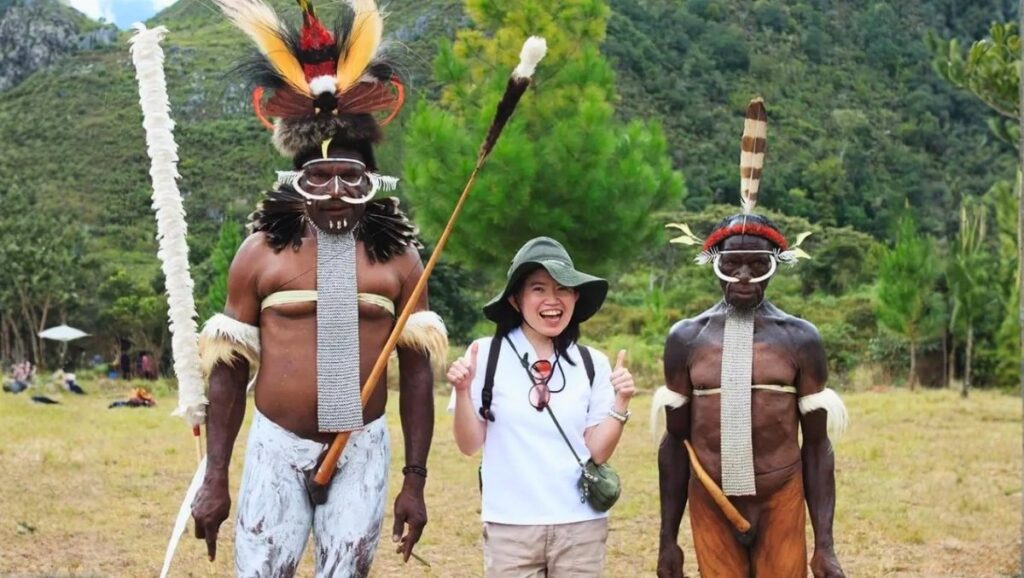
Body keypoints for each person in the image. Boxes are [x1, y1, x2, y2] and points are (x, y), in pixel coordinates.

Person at [189, 1, 447, 576]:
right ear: (297, 183)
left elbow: (418, 375)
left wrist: (415, 482)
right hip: (275, 446)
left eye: (348, 177)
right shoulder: (260, 253)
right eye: (320, 177)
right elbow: (229, 370)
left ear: (370, 180)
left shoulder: (399, 258)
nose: (334, 191)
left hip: (362, 448)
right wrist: (214, 477)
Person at [655, 99, 847, 578]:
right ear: (713, 265)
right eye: (731, 262)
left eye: (757, 264)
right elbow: (674, 443)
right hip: (711, 498)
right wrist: (667, 541)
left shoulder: (800, 339)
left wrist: (824, 544)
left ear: (774, 268)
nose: (743, 275)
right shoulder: (686, 339)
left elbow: (818, 446)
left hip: (783, 495)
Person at [447, 237, 635, 577]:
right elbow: (468, 444)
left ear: (576, 297)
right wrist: (462, 391)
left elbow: (598, 451)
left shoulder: (593, 363)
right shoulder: (484, 356)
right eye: (538, 289)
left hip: (581, 527)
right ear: (516, 300)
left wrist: (621, 403)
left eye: (563, 289)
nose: (553, 300)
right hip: (511, 526)